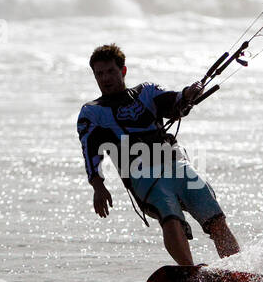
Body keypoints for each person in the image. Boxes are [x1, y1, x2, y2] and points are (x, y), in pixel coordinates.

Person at [78, 44, 240, 266]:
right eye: (99, 74)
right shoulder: (92, 112)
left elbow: (174, 101)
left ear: (123, 71)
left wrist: (188, 94)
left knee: (215, 218)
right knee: (171, 217)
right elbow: (90, 152)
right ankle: (188, 271)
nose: (105, 78)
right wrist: (98, 186)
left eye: (111, 71)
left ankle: (237, 269)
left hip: (176, 164)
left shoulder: (147, 92)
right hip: (142, 175)